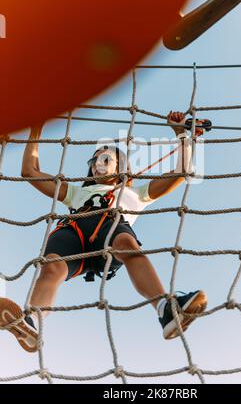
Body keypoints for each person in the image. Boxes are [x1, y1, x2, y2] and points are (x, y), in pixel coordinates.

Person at [0, 111, 207, 353]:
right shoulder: (76, 193)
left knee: (125, 243)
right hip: (74, 231)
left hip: (110, 233)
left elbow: (181, 172)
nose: (98, 161)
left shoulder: (136, 193)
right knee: (51, 267)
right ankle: (30, 320)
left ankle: (166, 308)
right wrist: (36, 128)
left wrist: (181, 134)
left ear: (121, 164)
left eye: (105, 157)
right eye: (95, 159)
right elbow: (30, 172)